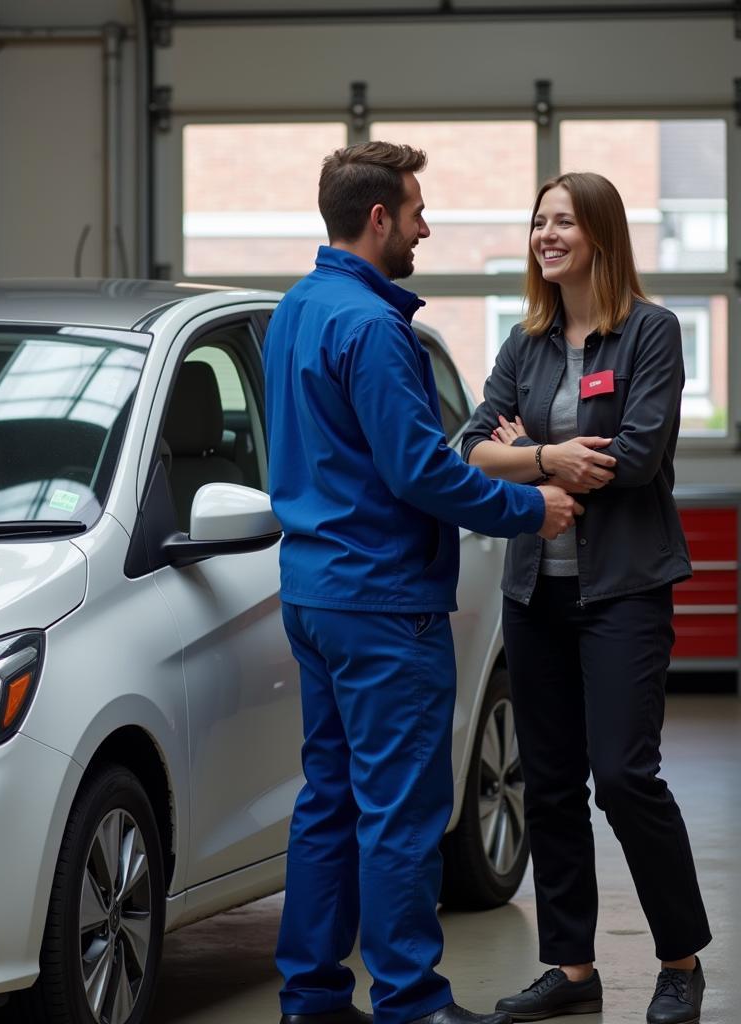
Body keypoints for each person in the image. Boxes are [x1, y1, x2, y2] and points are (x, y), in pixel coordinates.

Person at [262, 141, 580, 1024]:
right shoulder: (370, 326)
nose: (424, 227)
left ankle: (314, 998)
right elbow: (419, 474)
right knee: (400, 813)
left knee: (328, 802)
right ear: (377, 220)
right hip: (382, 601)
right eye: (415, 211)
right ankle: (410, 1003)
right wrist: (532, 507)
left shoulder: (295, 310)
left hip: (315, 594)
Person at [461, 171, 711, 1024]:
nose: (546, 235)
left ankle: (679, 962)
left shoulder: (651, 332)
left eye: (563, 221)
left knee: (624, 776)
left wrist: (529, 448)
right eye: (538, 221)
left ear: (600, 234)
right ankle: (572, 969)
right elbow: (468, 445)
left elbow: (636, 456)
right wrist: (548, 460)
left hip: (624, 593)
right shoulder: (524, 343)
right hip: (536, 593)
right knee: (554, 784)